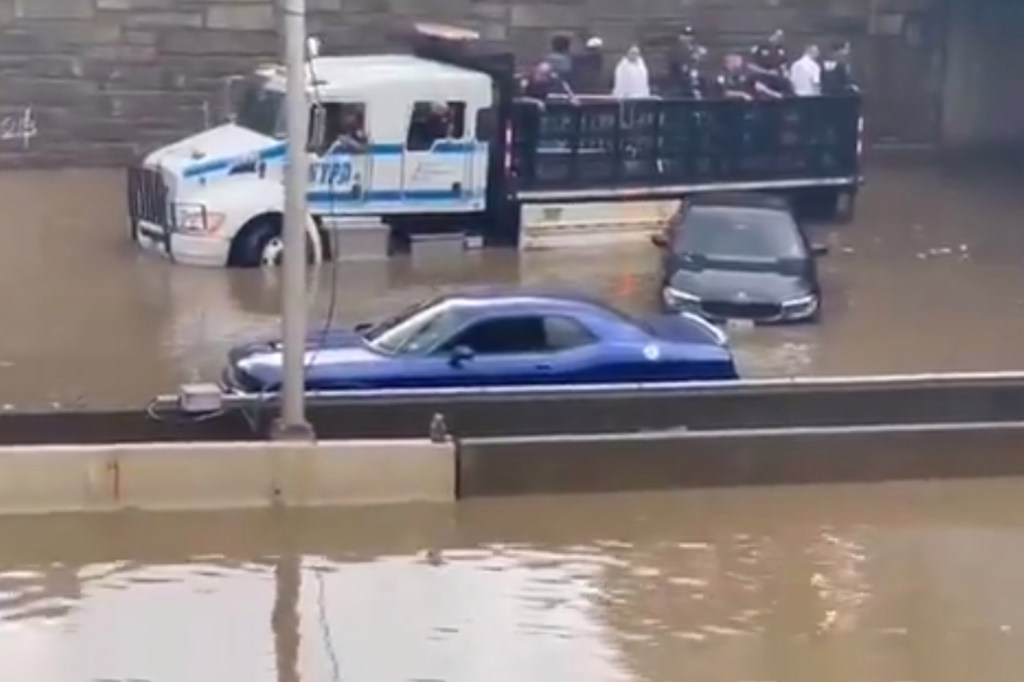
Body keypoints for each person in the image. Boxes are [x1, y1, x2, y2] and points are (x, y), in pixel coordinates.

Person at [748, 28, 791, 95]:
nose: (779, 38)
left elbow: (783, 63)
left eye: (781, 36)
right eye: (777, 35)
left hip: (777, 79)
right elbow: (750, 65)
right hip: (761, 78)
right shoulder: (760, 46)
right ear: (772, 35)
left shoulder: (780, 48)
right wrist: (766, 72)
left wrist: (785, 72)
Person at [665, 25, 703, 97]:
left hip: (691, 83)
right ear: (681, 37)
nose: (688, 38)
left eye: (690, 35)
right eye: (685, 35)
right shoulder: (675, 50)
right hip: (678, 84)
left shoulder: (695, 49)